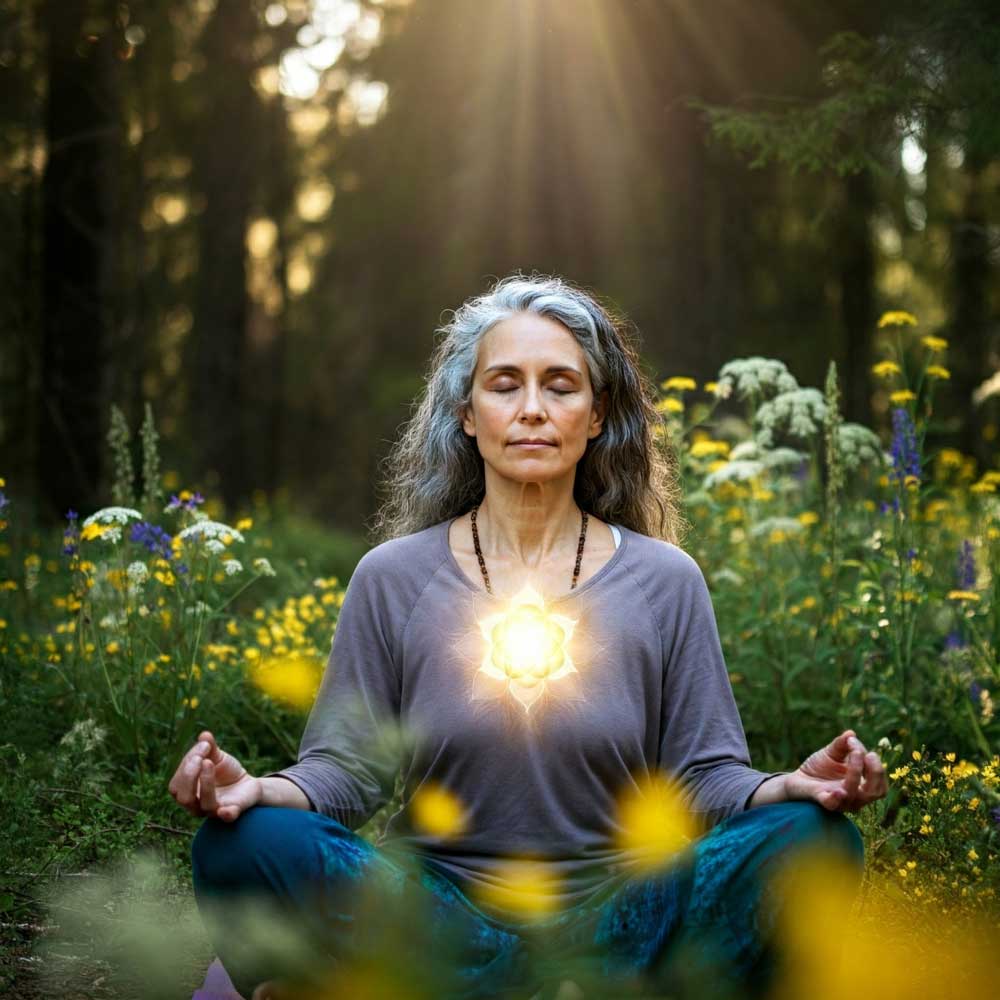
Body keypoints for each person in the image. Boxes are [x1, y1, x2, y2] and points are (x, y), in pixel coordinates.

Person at [172, 273, 887, 1000]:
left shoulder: (666, 581)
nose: (533, 410)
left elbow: (707, 778)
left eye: (561, 385)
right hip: (435, 920)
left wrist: (788, 789)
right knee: (242, 842)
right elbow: (343, 774)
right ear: (467, 413)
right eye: (505, 384)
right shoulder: (392, 577)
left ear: (599, 413)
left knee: (815, 839)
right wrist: (255, 789)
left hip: (624, 923)